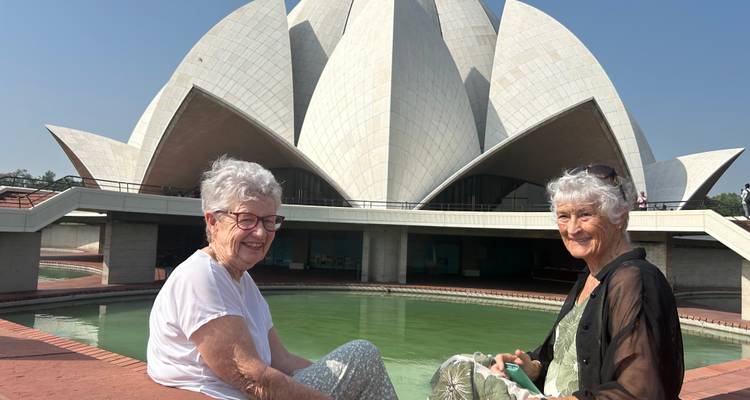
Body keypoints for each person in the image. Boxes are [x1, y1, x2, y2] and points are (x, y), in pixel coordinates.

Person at [147, 155, 398, 400]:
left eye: (269, 221)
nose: (260, 233)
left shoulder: (242, 281)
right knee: (362, 354)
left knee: (362, 360)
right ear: (213, 222)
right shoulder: (200, 277)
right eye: (246, 219)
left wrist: (339, 383)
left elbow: (283, 361)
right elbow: (253, 379)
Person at [430, 165, 684, 400]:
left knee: (460, 376)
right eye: (564, 216)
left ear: (619, 217)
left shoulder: (633, 280)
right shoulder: (591, 277)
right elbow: (564, 354)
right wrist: (532, 368)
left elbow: (641, 390)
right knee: (460, 363)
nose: (572, 229)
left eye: (585, 215)